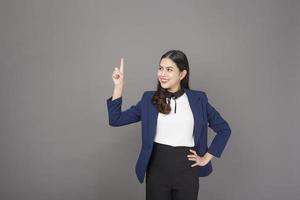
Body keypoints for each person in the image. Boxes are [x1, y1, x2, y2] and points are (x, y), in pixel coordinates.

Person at [106, 50, 231, 200]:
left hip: (187, 171)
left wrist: (205, 158)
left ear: (182, 74)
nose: (162, 74)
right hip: (157, 170)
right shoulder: (149, 99)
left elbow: (224, 129)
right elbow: (116, 119)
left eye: (169, 69)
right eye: (160, 68)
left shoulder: (199, 99)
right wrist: (118, 86)